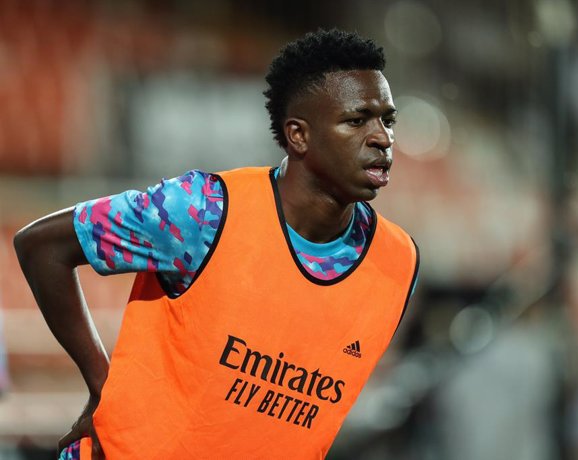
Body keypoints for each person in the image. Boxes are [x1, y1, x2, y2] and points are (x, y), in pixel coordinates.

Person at [14, 29, 419, 459]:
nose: (382, 137)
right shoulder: (201, 211)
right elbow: (42, 247)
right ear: (299, 135)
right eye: (356, 121)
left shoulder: (398, 262)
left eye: (387, 120)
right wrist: (100, 384)